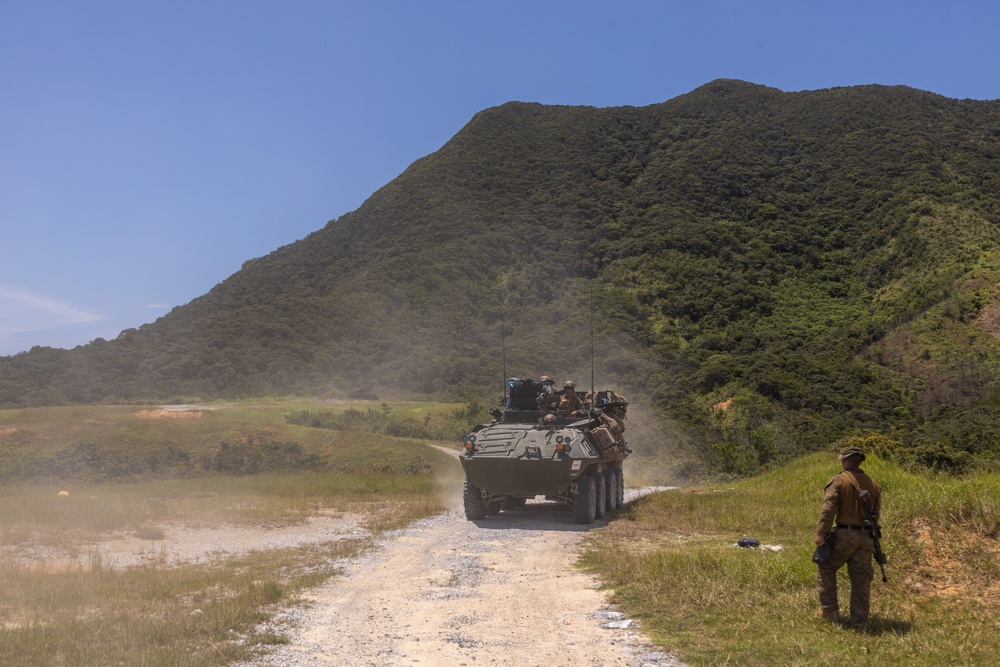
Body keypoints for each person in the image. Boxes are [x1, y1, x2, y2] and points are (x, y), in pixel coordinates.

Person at [815, 445, 882, 630]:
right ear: (859, 461)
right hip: (867, 538)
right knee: (861, 578)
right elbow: (876, 514)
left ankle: (829, 611)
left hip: (845, 534)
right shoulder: (873, 484)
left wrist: (821, 532)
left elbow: (828, 509)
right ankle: (860, 621)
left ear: (845, 461)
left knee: (826, 566)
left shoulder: (839, 481)